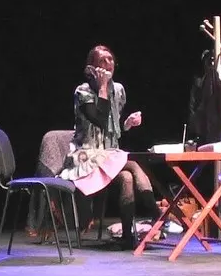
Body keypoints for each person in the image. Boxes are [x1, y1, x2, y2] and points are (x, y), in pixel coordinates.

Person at [58, 45, 161, 249]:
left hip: (109, 155)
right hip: (85, 155)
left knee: (127, 178)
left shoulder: (119, 90)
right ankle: (157, 212)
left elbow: (111, 128)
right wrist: (103, 87)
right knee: (132, 164)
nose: (107, 64)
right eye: (101, 61)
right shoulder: (83, 91)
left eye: (110, 59)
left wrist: (126, 124)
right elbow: (100, 120)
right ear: (92, 67)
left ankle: (128, 237)